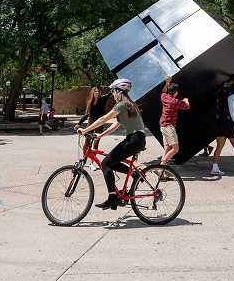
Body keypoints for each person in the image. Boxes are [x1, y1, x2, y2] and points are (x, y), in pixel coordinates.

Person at [77, 78, 146, 211]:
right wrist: (101, 135)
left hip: (134, 139)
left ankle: (112, 197)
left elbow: (103, 119)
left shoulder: (121, 105)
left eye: (113, 91)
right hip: (137, 139)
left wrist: (85, 130)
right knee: (112, 162)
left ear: (118, 91)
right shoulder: (128, 104)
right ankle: (134, 174)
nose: (112, 95)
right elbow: (115, 124)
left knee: (105, 164)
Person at [74, 86, 115, 169]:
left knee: (96, 141)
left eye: (98, 91)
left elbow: (109, 94)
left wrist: (115, 87)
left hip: (100, 122)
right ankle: (84, 157)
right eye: (95, 91)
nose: (97, 93)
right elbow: (87, 114)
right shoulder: (90, 102)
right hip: (91, 121)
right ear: (93, 92)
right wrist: (79, 123)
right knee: (87, 141)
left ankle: (91, 163)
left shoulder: (102, 99)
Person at [159, 75, 190, 166]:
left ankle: (162, 171)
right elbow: (186, 107)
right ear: (176, 92)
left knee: (167, 149)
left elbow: (163, 91)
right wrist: (186, 100)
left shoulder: (164, 97)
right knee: (175, 149)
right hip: (169, 127)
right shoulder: (174, 102)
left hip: (163, 126)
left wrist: (167, 82)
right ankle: (161, 168)